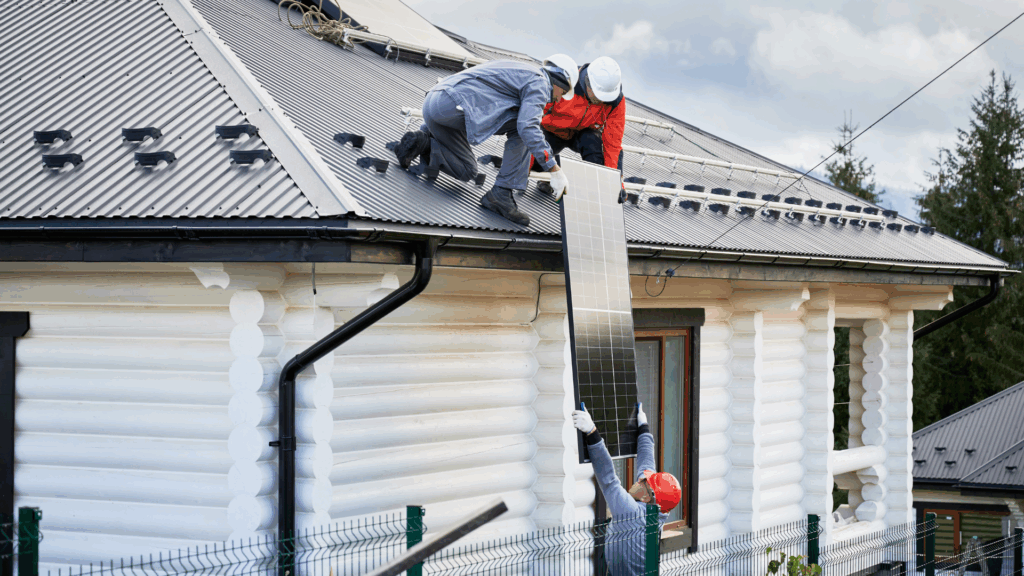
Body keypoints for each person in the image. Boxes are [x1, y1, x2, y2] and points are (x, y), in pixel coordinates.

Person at [393, 55, 578, 226]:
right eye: (563, 92)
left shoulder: (522, 70)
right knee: (526, 128)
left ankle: (424, 141)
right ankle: (502, 194)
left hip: (435, 103)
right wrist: (554, 169)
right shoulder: (540, 83)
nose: (560, 97)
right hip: (452, 108)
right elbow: (528, 127)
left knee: (467, 170)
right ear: (559, 80)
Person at [572, 402, 681, 576]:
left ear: (646, 496)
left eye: (644, 481)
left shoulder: (631, 513)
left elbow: (608, 478)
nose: (640, 479)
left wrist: (592, 433)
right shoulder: (655, 511)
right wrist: (644, 428)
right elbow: (647, 463)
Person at [534, 56, 626, 194]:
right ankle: (553, 170)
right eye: (597, 96)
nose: (600, 101)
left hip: (583, 135)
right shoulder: (565, 80)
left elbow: (613, 145)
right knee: (533, 162)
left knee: (594, 143)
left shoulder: (616, 101)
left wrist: (615, 183)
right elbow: (534, 116)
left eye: (604, 98)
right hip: (552, 131)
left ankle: (595, 186)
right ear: (587, 82)